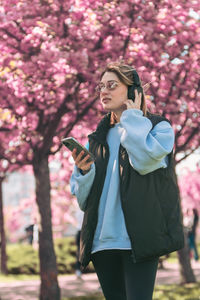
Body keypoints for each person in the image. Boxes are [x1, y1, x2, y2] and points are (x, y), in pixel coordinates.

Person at [70, 62, 184, 300]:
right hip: (102, 242)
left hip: (138, 239)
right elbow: (83, 200)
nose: (104, 91)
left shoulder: (158, 128)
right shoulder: (96, 139)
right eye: (101, 86)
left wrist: (132, 118)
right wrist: (84, 172)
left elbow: (143, 162)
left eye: (112, 85)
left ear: (133, 91)